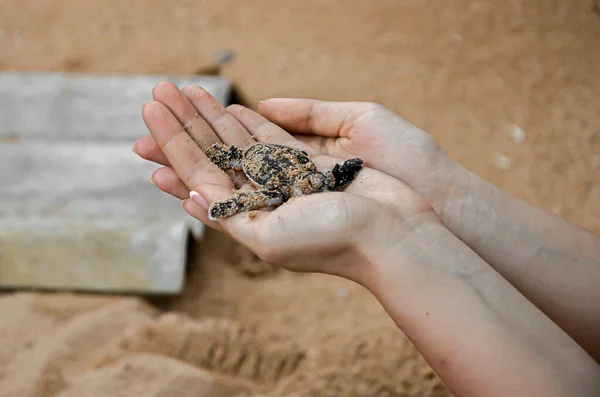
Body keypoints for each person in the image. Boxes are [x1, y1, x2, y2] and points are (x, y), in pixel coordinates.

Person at [132, 82, 600, 397]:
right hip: (259, 157)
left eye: (318, 185)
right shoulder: (279, 189)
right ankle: (231, 158)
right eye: (314, 185)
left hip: (275, 157)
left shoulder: (314, 181)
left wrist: (404, 216)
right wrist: (438, 202)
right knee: (232, 167)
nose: (317, 187)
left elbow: (331, 178)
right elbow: (283, 185)